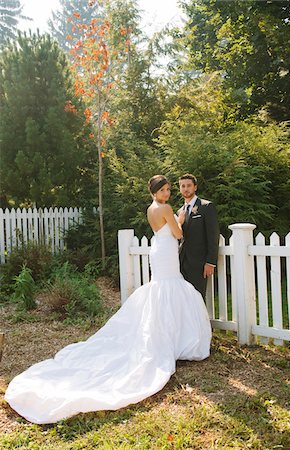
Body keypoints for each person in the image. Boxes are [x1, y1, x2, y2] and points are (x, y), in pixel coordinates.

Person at [5, 175, 211, 425]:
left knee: (163, 289)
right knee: (169, 288)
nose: (168, 193)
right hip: (166, 248)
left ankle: (169, 333)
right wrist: (180, 219)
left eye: (169, 190)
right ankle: (174, 336)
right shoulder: (167, 208)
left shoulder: (151, 209)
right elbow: (178, 234)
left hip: (158, 249)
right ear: (156, 192)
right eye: (164, 190)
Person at [178, 174, 219, 298]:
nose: (186, 189)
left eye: (189, 185)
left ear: (195, 187)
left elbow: (213, 235)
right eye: (183, 186)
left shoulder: (206, 207)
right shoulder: (180, 212)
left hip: (199, 263)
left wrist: (210, 262)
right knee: (184, 299)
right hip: (182, 263)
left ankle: (200, 318)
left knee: (198, 298)